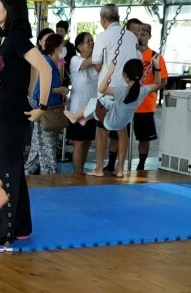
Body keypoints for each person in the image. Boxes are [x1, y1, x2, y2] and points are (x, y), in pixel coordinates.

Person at [0, 0, 51, 249]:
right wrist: (27, 93)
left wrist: (40, 106)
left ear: (10, 8)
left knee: (4, 172)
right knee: (13, 170)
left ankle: (4, 230)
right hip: (5, 114)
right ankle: (21, 226)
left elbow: (44, 68)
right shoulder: (8, 38)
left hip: (11, 115)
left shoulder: (18, 37)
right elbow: (31, 71)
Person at [91, 4, 140, 178]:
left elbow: (97, 64)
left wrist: (107, 68)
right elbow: (137, 60)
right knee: (122, 129)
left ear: (103, 19)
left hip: (107, 88)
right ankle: (120, 169)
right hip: (126, 87)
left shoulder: (103, 36)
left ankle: (98, 168)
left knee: (102, 128)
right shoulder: (132, 36)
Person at [64, 59, 159, 143]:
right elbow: (157, 83)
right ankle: (85, 118)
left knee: (94, 101)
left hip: (110, 123)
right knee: (106, 101)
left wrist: (110, 71)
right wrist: (157, 67)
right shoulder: (143, 90)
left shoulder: (122, 91)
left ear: (125, 75)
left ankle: (75, 117)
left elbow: (101, 89)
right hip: (122, 123)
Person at [24, 34, 68, 175]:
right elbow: (39, 91)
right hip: (46, 111)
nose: (64, 48)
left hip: (49, 110)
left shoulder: (53, 65)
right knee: (47, 146)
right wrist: (59, 90)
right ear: (56, 48)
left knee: (39, 146)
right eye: (62, 45)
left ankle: (29, 171)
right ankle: (49, 175)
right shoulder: (47, 64)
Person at [132, 24, 168, 171]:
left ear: (149, 37)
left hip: (145, 104)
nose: (141, 37)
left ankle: (141, 163)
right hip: (128, 102)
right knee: (118, 135)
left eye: (144, 35)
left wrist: (148, 89)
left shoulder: (155, 57)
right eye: (138, 34)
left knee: (144, 137)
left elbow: (163, 81)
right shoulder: (130, 54)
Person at [67, 32, 99, 175]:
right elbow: (87, 63)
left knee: (87, 142)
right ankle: (77, 173)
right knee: (79, 143)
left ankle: (81, 171)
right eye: (88, 41)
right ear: (79, 46)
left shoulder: (96, 64)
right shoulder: (76, 59)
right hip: (78, 110)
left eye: (92, 40)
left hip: (91, 110)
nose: (91, 43)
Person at [55, 20, 76, 86]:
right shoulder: (52, 45)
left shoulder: (70, 47)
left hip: (65, 77)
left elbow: (73, 63)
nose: (58, 33)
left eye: (61, 31)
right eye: (57, 30)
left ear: (66, 32)